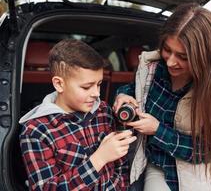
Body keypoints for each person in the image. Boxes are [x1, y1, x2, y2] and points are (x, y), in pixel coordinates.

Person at [113, 3, 211, 191]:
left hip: (199, 176)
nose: (171, 62)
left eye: (183, 56)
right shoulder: (152, 66)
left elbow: (208, 151)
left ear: (204, 56)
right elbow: (136, 89)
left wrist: (157, 130)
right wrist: (123, 95)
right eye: (167, 50)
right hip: (157, 166)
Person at [19, 39, 136, 190]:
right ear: (59, 84)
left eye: (99, 84)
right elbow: (46, 188)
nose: (96, 93)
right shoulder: (36, 130)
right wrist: (99, 159)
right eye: (86, 87)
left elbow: (121, 165)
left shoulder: (104, 111)